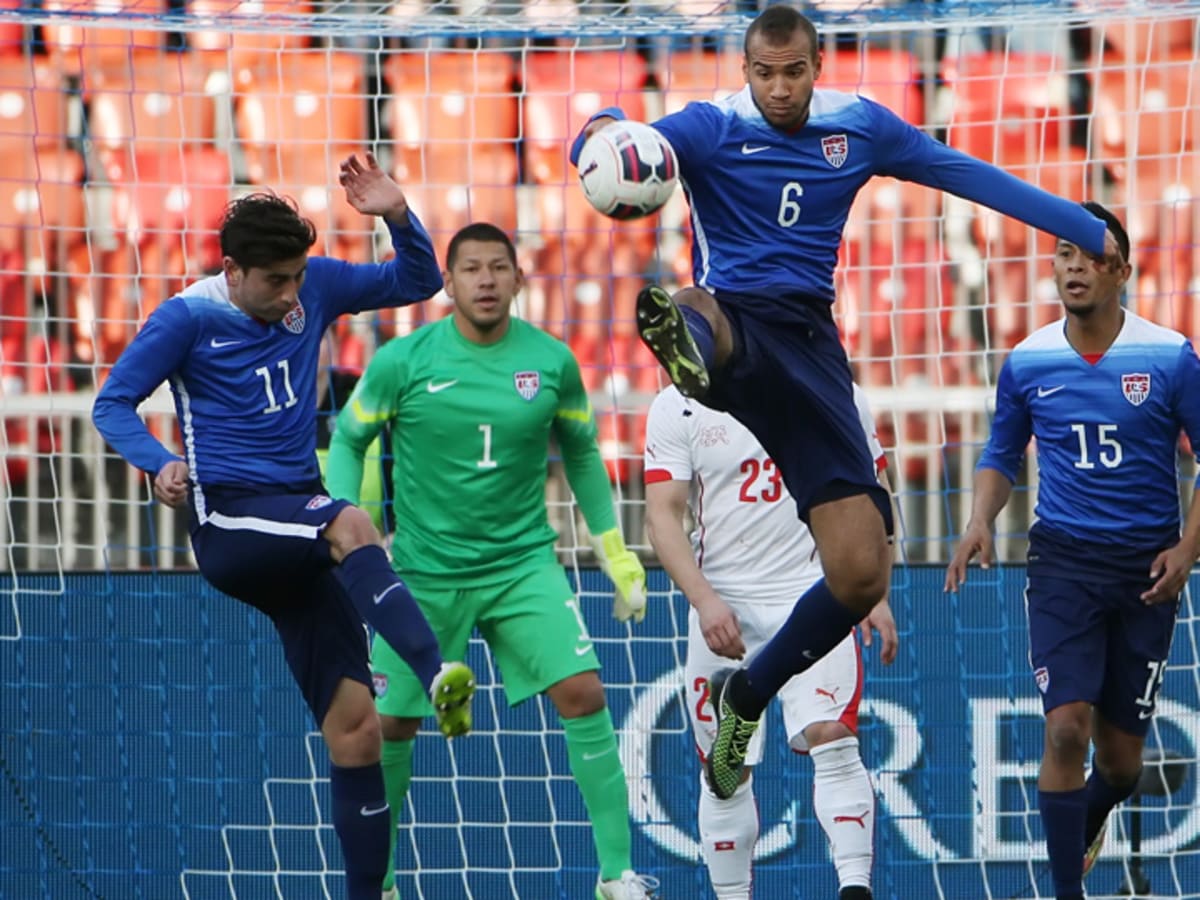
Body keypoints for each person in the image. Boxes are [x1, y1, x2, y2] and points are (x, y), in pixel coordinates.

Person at [570, 4, 1111, 800]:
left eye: (794, 73)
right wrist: (598, 132)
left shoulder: (858, 127)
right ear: (745, 69)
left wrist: (1077, 225)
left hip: (815, 350)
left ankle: (746, 696)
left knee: (861, 572)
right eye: (764, 74)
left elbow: (961, 171)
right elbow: (629, 147)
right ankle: (686, 341)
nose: (779, 90)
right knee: (703, 310)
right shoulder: (711, 125)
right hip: (739, 317)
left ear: (817, 67)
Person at [91, 154, 477, 900]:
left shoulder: (316, 287)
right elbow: (112, 403)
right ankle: (436, 676)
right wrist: (157, 460)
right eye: (276, 281)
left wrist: (397, 214)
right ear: (232, 271)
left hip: (294, 523)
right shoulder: (186, 318)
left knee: (357, 729)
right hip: (231, 521)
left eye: (299, 276)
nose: (293, 294)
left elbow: (417, 282)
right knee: (354, 522)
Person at [325, 222, 659, 900]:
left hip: (521, 565)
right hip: (423, 570)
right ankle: (380, 884)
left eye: (497, 267)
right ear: (447, 284)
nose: (484, 279)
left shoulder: (553, 362)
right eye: (470, 269)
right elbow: (349, 437)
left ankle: (617, 875)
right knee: (390, 723)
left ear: (517, 278)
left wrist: (614, 548)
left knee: (584, 691)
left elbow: (586, 454)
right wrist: (344, 516)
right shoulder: (404, 360)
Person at [945, 203, 1200, 900]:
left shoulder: (1171, 357)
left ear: (1121, 270)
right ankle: (1065, 893)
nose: (1074, 266)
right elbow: (1002, 453)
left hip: (1147, 572)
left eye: (1090, 256)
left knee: (1119, 765)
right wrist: (978, 522)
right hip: (1063, 564)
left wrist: (1187, 548)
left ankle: (1088, 817)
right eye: (1064, 253)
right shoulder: (1029, 361)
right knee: (1065, 731)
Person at [644, 381, 898, 900]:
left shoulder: (830, 388)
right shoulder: (678, 403)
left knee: (833, 736)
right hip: (724, 603)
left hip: (813, 590)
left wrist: (875, 588)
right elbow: (661, 514)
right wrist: (703, 599)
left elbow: (873, 489)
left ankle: (855, 888)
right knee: (725, 769)